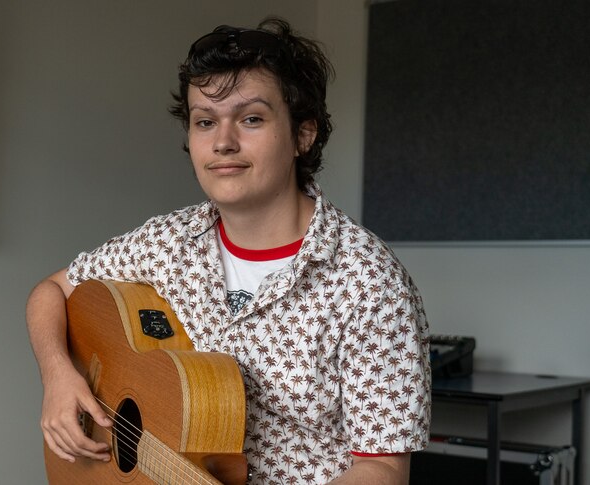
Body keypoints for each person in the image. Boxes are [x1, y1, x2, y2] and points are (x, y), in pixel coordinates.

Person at [26, 17, 431, 484]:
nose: (222, 142)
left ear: (304, 134)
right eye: (205, 121)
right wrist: (57, 376)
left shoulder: (368, 281)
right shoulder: (165, 242)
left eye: (251, 118)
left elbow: (382, 468)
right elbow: (51, 290)